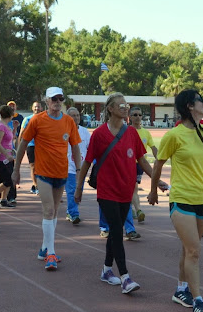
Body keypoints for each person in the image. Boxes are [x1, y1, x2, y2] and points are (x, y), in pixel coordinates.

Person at [148, 89, 203, 312]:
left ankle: (181, 290)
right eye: (200, 101)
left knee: (189, 248)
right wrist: (153, 190)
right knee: (194, 251)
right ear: (189, 105)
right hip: (181, 199)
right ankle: (198, 302)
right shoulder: (174, 136)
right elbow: (158, 165)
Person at [76, 92, 165, 294]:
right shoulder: (99, 134)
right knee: (117, 229)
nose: (126, 108)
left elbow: (142, 160)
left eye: (126, 105)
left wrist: (156, 180)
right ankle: (125, 277)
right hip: (107, 190)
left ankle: (107, 270)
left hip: (126, 190)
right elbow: (87, 162)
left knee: (115, 231)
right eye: (121, 105)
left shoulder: (131, 133)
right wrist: (79, 188)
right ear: (110, 109)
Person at [12, 86, 82, 270]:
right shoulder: (37, 120)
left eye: (60, 99)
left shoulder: (68, 121)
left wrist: (79, 169)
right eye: (54, 99)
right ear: (46, 101)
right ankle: (51, 252)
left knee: (55, 211)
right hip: (43, 173)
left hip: (61, 172)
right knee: (49, 210)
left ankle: (44, 247)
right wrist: (16, 169)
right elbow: (23, 144)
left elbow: (75, 146)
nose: (57, 102)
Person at [130, 106, 157, 223]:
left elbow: (153, 147)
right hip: (128, 164)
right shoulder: (127, 131)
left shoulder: (146, 133)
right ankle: (138, 210)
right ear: (130, 117)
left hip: (140, 165)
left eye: (140, 115)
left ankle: (131, 207)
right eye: (135, 115)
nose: (138, 117)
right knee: (134, 187)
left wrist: (159, 159)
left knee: (133, 188)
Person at [64, 107, 90, 224]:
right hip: (68, 166)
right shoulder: (64, 131)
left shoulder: (85, 132)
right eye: (73, 116)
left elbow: (90, 147)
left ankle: (70, 210)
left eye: (78, 115)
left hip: (81, 167)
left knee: (78, 190)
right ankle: (74, 213)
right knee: (71, 190)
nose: (76, 118)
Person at [0, 105, 16, 208]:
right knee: (7, 180)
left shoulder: (6, 125)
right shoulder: (0, 126)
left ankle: (4, 199)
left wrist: (15, 128)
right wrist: (6, 154)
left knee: (11, 179)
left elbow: (10, 139)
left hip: (9, 156)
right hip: (2, 157)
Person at [17, 101, 43, 194]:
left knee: (42, 166)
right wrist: (20, 147)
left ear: (41, 108)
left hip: (42, 146)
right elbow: (21, 133)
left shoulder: (45, 119)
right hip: (31, 145)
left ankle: (41, 184)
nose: (37, 108)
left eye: (38, 107)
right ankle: (35, 185)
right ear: (32, 108)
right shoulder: (27, 119)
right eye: (35, 107)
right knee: (33, 166)